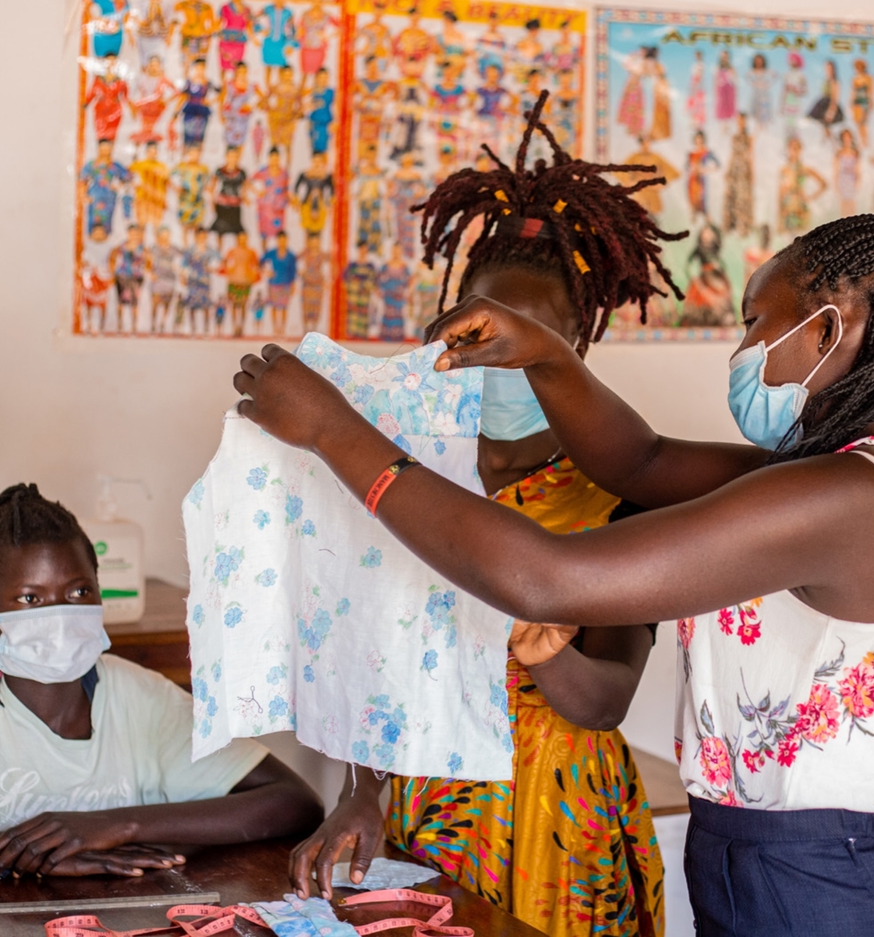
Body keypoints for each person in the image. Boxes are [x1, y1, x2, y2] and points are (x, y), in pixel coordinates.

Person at [236, 176, 874, 937]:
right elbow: (641, 462)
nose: (745, 347)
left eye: (759, 323)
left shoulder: (843, 500)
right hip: (763, 861)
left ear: (825, 330)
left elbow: (549, 578)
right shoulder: (820, 477)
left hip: (822, 882)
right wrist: (547, 356)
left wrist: (332, 430)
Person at [288, 98, 676, 937]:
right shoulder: (402, 478)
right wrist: (360, 795)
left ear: (576, 349)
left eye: (534, 338)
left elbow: (606, 699)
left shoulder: (616, 495)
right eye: (485, 328)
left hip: (556, 818)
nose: (500, 356)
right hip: (425, 809)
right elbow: (372, 668)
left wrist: (542, 647)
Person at [0, 485, 322, 879]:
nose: (60, 613)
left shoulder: (139, 695)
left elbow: (295, 803)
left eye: (78, 591)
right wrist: (31, 853)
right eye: (30, 598)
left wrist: (113, 825)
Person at [222, 230, 261, 336]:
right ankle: (235, 326)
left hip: (245, 281)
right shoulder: (232, 251)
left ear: (247, 239)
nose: (242, 241)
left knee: (243, 304)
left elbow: (256, 266)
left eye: (244, 238)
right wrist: (230, 272)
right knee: (234, 304)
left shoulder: (251, 252)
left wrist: (252, 276)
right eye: (240, 238)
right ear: (237, 239)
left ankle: (242, 326)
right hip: (234, 281)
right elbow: (225, 263)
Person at [209, 147, 248, 251]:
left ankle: (236, 251)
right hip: (222, 204)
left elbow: (245, 187)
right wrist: (212, 201)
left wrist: (245, 197)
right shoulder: (220, 171)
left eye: (234, 156)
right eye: (230, 156)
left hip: (235, 205)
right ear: (226, 157)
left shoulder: (241, 172)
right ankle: (219, 251)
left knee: (237, 230)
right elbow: (212, 187)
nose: (232, 158)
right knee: (220, 230)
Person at [259, 229, 297, 335]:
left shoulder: (290, 255)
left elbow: (293, 271)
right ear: (277, 240)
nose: (282, 242)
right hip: (274, 283)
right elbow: (261, 261)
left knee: (284, 307)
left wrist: (293, 284)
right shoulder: (272, 253)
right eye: (280, 240)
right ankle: (275, 328)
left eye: (284, 240)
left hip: (286, 284)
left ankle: (282, 329)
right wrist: (266, 271)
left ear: (287, 240)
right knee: (275, 306)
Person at [722, 112, 753, 237]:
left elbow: (751, 155)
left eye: (742, 120)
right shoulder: (734, 137)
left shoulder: (749, 138)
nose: (740, 123)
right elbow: (732, 154)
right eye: (739, 120)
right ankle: (731, 226)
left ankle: (743, 227)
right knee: (731, 197)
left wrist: (751, 172)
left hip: (744, 170)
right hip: (734, 169)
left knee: (743, 199)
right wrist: (728, 170)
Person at [148, 226, 181, 332]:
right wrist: (150, 273)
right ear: (158, 236)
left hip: (170, 280)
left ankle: (163, 322)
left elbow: (181, 262)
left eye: (167, 236)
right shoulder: (153, 249)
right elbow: (147, 262)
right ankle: (153, 323)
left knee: (167, 303)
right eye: (162, 236)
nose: (165, 238)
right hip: (158, 279)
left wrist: (179, 270)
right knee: (155, 302)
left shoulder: (174, 249)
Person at [807, 60, 843, 142]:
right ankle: (825, 141)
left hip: (829, 106)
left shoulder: (835, 82)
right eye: (826, 68)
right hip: (822, 104)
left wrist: (831, 111)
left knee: (827, 126)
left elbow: (835, 98)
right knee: (824, 126)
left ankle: (830, 141)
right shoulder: (825, 81)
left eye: (829, 69)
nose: (828, 71)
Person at [835, 128, 861, 217]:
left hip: (852, 180)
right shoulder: (839, 153)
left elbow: (858, 170)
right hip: (843, 179)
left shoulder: (855, 153)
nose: (847, 139)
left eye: (848, 137)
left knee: (852, 205)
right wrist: (836, 184)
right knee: (843, 205)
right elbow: (836, 170)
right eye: (844, 137)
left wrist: (858, 182)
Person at [851, 59, 874, 148]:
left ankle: (865, 140)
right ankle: (861, 140)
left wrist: (872, 101)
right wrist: (851, 103)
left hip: (865, 101)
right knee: (858, 123)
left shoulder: (868, 78)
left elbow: (871, 90)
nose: (857, 69)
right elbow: (853, 91)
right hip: (857, 102)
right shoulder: (855, 78)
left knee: (864, 122)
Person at [747, 53, 774, 129]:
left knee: (764, 110)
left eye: (760, 60)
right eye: (757, 61)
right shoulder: (752, 71)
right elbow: (747, 77)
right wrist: (754, 83)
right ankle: (756, 126)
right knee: (755, 111)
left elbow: (775, 76)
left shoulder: (766, 71)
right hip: (756, 95)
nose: (758, 62)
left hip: (764, 95)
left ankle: (764, 126)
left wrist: (767, 84)